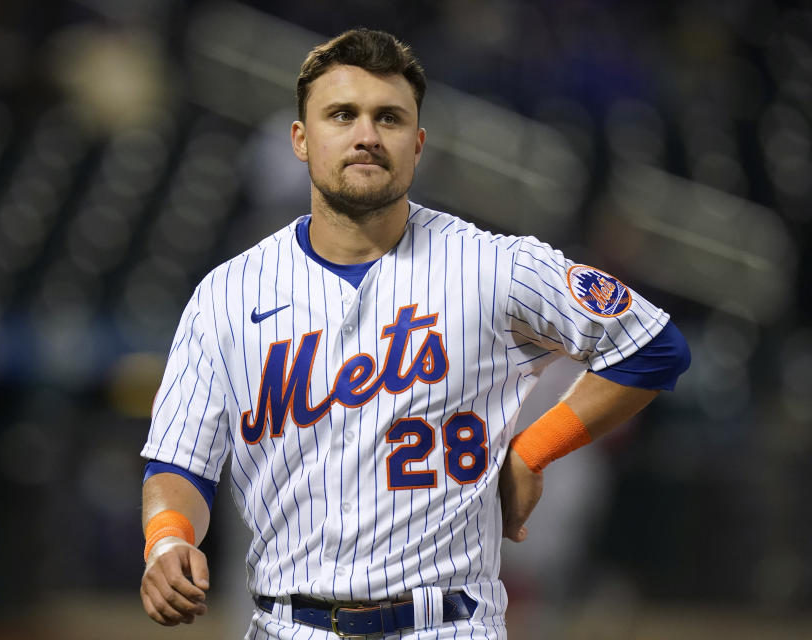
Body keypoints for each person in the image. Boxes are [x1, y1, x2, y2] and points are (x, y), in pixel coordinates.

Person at [138, 28, 690, 639]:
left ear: (418, 142)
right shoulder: (227, 293)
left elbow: (653, 345)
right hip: (287, 625)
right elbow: (179, 463)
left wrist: (536, 449)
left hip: (447, 624)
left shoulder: (494, 265)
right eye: (342, 115)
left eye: (390, 118)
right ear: (302, 138)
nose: (366, 135)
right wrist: (167, 540)